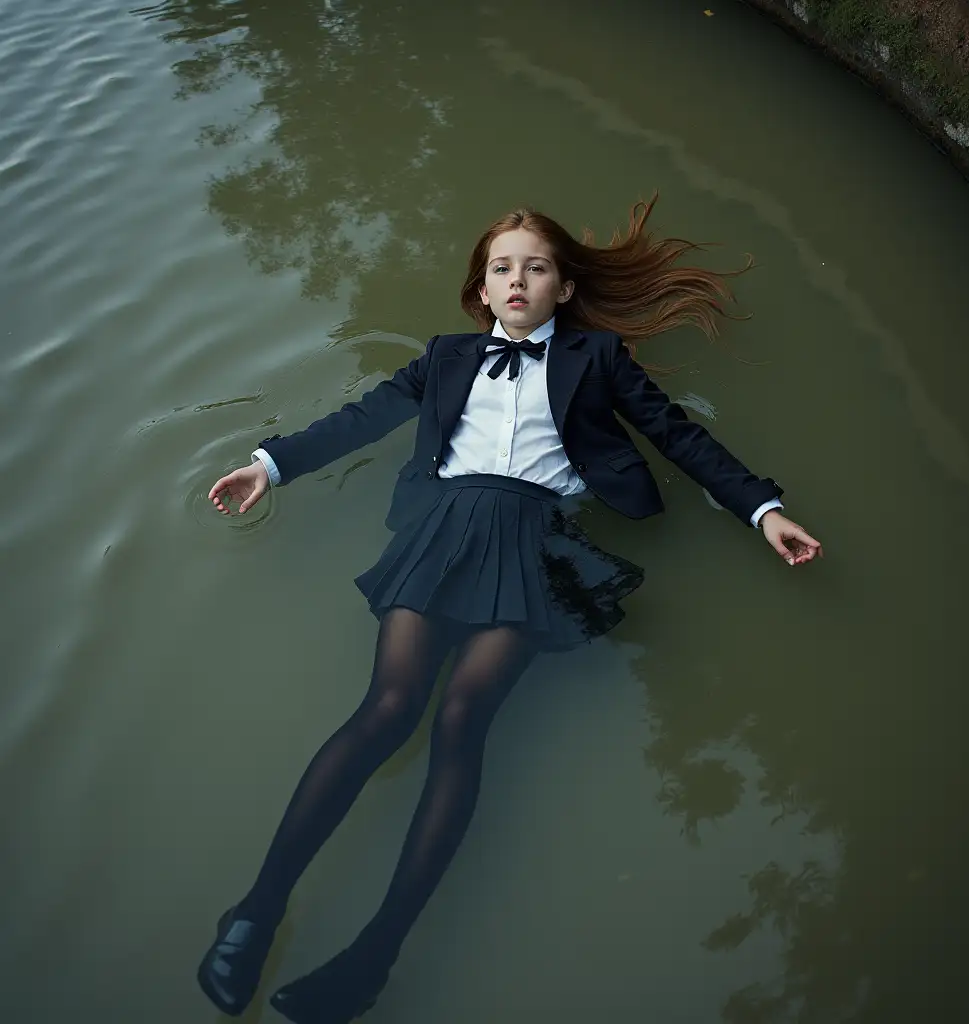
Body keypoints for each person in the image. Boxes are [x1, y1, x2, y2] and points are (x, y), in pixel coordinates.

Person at [197, 195, 823, 1023]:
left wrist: (763, 511)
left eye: (536, 266)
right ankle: (256, 909)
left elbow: (680, 437)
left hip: (536, 543)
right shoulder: (446, 357)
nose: (518, 279)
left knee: (461, 721)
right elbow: (361, 419)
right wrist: (267, 466)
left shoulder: (599, 358)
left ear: (563, 288)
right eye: (502, 268)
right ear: (481, 290)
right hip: (446, 531)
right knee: (388, 707)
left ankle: (375, 952)